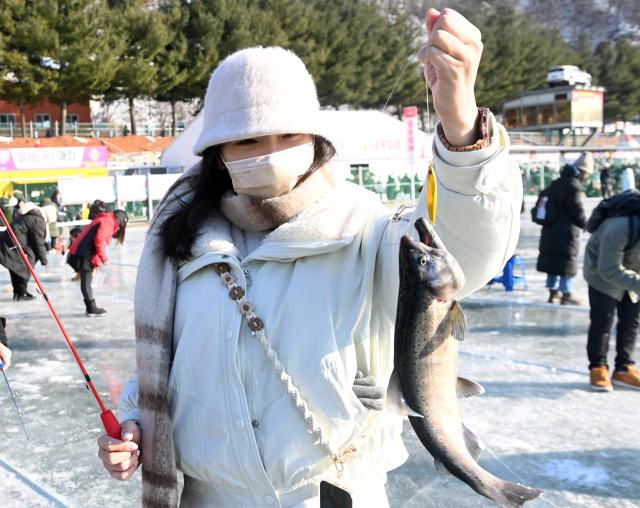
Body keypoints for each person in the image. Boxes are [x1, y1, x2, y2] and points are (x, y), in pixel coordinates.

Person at [98, 9, 522, 508]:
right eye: (248, 140)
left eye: (288, 135)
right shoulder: (181, 240)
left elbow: (465, 250)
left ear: (315, 141)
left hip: (334, 494)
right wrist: (134, 419)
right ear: (218, 152)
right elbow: (170, 361)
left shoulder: (367, 229)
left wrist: (460, 125)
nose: (270, 152)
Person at [584, 214, 640, 391]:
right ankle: (598, 367)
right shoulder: (619, 228)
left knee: (632, 319)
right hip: (601, 275)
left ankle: (623, 369)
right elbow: (607, 269)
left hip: (632, 271)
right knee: (603, 320)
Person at [537, 152, 593, 306]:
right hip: (566, 231)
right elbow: (575, 208)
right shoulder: (573, 185)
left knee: (553, 260)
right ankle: (568, 293)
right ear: (582, 171)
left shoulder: (558, 182)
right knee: (566, 261)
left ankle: (554, 293)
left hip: (552, 229)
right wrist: (585, 224)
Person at [67, 210, 128, 316]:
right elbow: (99, 241)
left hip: (82, 252)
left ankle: (91, 307)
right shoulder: (108, 222)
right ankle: (91, 308)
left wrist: (97, 262)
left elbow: (94, 241)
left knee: (86, 280)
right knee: (86, 281)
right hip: (82, 253)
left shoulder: (106, 220)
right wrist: (104, 259)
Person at [0, 202, 48, 300]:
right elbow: (38, 242)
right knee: (25, 267)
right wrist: (44, 260)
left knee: (15, 269)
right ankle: (21, 294)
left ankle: (19, 292)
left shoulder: (27, 217)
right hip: (14, 246)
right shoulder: (37, 220)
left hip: (7, 244)